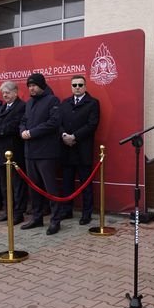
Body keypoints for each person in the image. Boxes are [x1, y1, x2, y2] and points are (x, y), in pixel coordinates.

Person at [19, 73, 63, 235]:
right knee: (34, 188)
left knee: (51, 189)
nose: (31, 88)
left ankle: (55, 220)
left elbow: (53, 123)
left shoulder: (53, 100)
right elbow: (23, 121)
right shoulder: (29, 103)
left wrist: (32, 133)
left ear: (41, 85)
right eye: (29, 86)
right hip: (30, 153)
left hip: (46, 153)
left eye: (34, 85)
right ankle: (37, 218)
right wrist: (23, 131)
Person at [59, 75, 100, 225]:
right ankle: (67, 211)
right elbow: (59, 122)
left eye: (80, 85)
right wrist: (64, 135)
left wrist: (74, 137)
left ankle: (86, 213)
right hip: (67, 150)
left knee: (85, 184)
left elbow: (92, 125)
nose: (77, 87)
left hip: (83, 150)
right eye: (74, 85)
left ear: (85, 86)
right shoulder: (65, 103)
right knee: (67, 184)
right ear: (71, 87)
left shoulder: (93, 103)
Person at [0, 81, 27, 225]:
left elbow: (15, 124)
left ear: (15, 92)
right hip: (0, 152)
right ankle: (8, 211)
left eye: (8, 92)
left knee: (16, 185)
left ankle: (18, 213)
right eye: (3, 93)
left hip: (14, 152)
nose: (5, 95)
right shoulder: (2, 107)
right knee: (4, 185)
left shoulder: (21, 106)